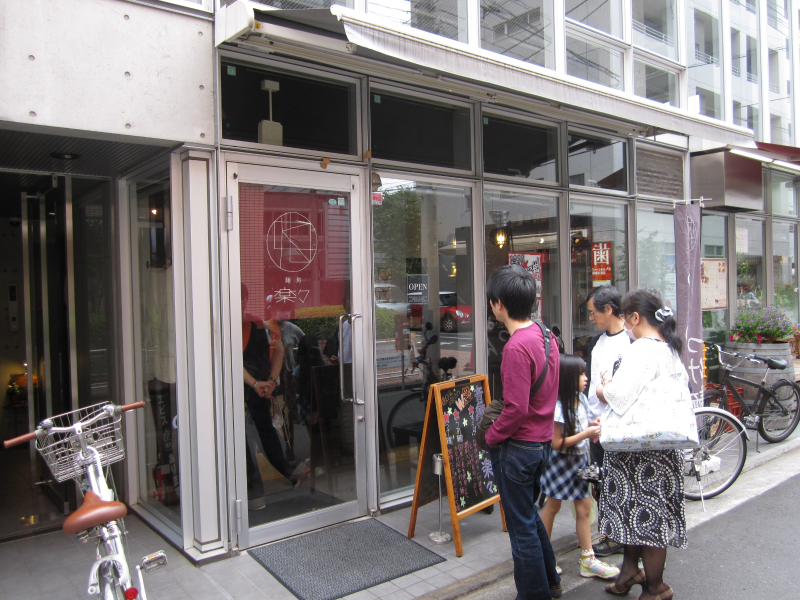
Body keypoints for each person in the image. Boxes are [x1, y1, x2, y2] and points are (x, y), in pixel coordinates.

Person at [596, 288, 687, 600]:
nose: (625, 324)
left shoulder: (642, 349)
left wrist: (603, 388)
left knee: (645, 518)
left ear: (635, 318)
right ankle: (628, 572)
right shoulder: (668, 347)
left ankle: (655, 587)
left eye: (626, 318)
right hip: (661, 447)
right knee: (639, 514)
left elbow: (619, 397)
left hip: (638, 451)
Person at [483, 265, 562, 600]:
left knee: (520, 530)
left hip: (518, 449)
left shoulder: (516, 347)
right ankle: (551, 581)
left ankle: (534, 595)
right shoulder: (545, 335)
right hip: (541, 443)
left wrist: (490, 437)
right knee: (528, 516)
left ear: (499, 304)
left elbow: (515, 409)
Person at [539, 355, 619, 581]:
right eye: (581, 374)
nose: (586, 378)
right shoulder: (558, 406)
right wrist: (586, 433)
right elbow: (556, 443)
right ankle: (544, 559)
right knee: (552, 506)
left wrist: (591, 425)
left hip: (581, 461)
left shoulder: (581, 399)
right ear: (567, 378)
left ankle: (588, 560)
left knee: (584, 508)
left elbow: (579, 426)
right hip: (560, 464)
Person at [241, 285, 304, 511]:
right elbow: (276, 350)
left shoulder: (258, 322)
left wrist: (269, 382)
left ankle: (257, 492)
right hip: (253, 387)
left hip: (255, 387)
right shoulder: (258, 322)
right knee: (258, 433)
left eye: (242, 298)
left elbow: (277, 350)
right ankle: (284, 476)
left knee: (251, 436)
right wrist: (265, 383)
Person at [584, 285, 631, 558]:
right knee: (599, 480)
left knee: (618, 480)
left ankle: (618, 535)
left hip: (618, 426)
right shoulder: (596, 342)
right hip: (595, 426)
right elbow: (592, 385)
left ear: (609, 310)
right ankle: (609, 531)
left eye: (593, 313)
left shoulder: (631, 343)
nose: (591, 318)